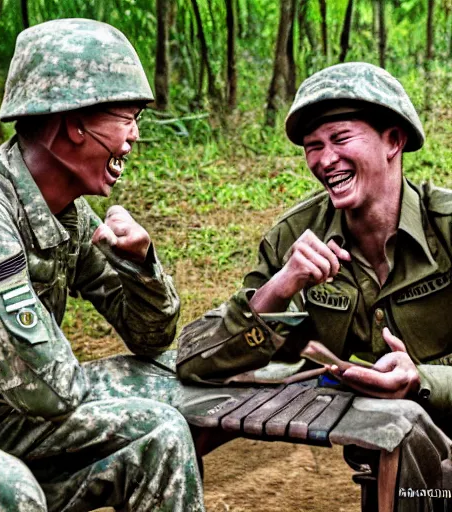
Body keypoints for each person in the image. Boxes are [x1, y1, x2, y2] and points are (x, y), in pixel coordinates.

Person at [0, 18, 205, 512]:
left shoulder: (68, 215)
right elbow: (45, 388)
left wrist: (140, 264)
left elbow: (151, 339)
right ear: (72, 123)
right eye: (126, 119)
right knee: (5, 491)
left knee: (168, 410)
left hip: (7, 410)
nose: (133, 138)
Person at [177, 62, 452, 510]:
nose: (325, 160)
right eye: (313, 146)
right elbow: (195, 361)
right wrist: (282, 285)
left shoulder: (447, 228)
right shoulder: (296, 236)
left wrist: (422, 381)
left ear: (393, 141)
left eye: (341, 139)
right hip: (392, 448)